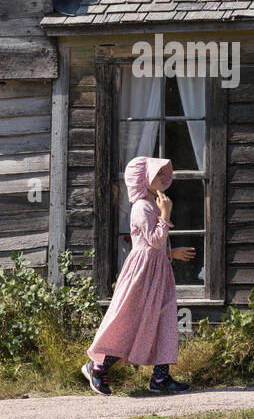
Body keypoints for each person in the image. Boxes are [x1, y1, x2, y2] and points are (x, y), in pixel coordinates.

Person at [81, 156, 195, 395]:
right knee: (131, 320)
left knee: (163, 319)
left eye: (164, 172)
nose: (163, 177)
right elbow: (153, 241)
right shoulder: (142, 206)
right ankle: (98, 367)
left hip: (159, 269)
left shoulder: (153, 203)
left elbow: (155, 244)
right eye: (157, 173)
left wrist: (171, 253)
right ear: (143, 179)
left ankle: (160, 378)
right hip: (142, 272)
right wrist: (166, 214)